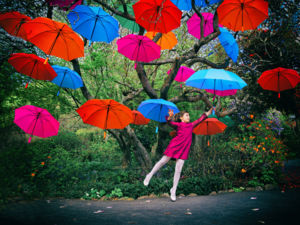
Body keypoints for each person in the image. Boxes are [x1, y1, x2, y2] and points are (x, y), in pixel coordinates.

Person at [143, 107, 213, 202]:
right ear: (181, 118)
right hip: (175, 146)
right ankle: (149, 175)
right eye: (187, 115)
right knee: (163, 161)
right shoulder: (179, 125)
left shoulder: (191, 125)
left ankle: (173, 190)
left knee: (178, 169)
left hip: (184, 149)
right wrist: (170, 117)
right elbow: (170, 123)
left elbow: (200, 120)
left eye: (188, 115)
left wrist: (207, 113)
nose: (189, 117)